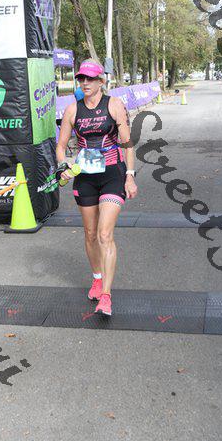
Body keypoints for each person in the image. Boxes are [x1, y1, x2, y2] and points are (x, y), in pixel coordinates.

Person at [56, 59, 138, 316]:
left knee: (104, 234)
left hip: (113, 174)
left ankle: (106, 296)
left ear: (101, 81)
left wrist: (130, 176)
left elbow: (127, 144)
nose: (85, 83)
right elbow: (61, 146)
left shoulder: (114, 105)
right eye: (81, 78)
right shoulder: (72, 110)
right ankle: (97, 279)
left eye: (90, 79)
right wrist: (63, 167)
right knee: (90, 234)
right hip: (85, 177)